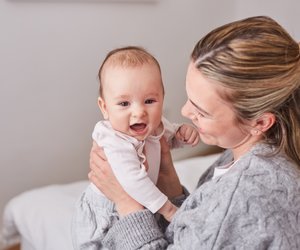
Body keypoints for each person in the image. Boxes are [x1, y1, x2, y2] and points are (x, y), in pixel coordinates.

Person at [88, 16, 300, 249]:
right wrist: (173, 189)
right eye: (189, 98)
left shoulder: (247, 191)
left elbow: (223, 222)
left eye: (202, 111)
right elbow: (206, 232)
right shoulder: (247, 152)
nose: (184, 111)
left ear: (259, 122)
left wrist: (126, 204)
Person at [72, 46, 200, 249]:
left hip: (144, 202)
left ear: (162, 99)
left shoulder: (156, 126)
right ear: (104, 107)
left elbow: (169, 138)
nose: (139, 112)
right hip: (108, 211)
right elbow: (133, 180)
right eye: (124, 104)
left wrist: (183, 134)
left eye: (149, 101)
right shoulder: (113, 139)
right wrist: (167, 209)